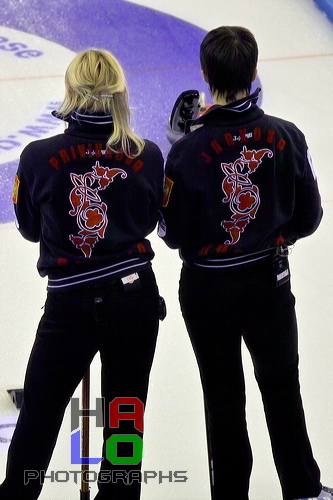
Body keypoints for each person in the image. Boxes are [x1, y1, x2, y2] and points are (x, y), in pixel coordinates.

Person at [159, 26, 332, 500]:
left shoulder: (187, 152)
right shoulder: (286, 135)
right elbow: (311, 217)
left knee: (223, 400)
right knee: (282, 388)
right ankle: (303, 489)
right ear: (255, 72)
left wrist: (178, 148)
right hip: (267, 284)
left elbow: (171, 234)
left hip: (207, 290)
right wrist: (273, 237)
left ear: (204, 74)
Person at [0, 48, 165, 500]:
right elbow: (150, 221)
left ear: (72, 92)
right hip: (133, 300)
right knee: (126, 418)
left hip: (70, 304)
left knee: (39, 417)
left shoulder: (37, 156)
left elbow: (31, 228)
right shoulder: (147, 155)